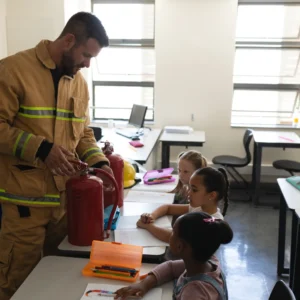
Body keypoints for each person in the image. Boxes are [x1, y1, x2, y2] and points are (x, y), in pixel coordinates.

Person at [0, 12, 112, 300]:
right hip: (23, 207)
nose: (87, 64)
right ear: (68, 40)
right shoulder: (12, 70)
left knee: (61, 280)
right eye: (86, 55)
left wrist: (100, 162)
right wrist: (42, 148)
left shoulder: (79, 83)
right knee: (17, 283)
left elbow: (83, 133)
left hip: (65, 207)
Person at [115, 212, 233, 300]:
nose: (170, 235)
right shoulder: (208, 262)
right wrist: (144, 285)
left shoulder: (194, 293)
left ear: (180, 246)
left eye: (173, 232)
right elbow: (170, 268)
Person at [137, 167, 229, 243]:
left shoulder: (212, 222)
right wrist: (151, 216)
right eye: (189, 188)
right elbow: (167, 208)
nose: (189, 193)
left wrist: (148, 226)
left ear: (212, 195)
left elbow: (174, 238)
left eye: (194, 190)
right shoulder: (198, 208)